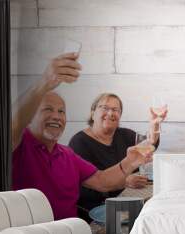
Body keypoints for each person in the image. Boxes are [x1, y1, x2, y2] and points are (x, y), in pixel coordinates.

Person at [12, 53, 152, 220]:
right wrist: (43, 83)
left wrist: (130, 162)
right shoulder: (20, 145)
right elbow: (12, 123)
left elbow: (103, 180)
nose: (56, 116)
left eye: (61, 111)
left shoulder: (67, 155)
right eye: (48, 109)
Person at [68, 93, 167, 221]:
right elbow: (86, 188)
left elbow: (149, 145)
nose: (110, 113)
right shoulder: (79, 142)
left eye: (115, 110)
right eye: (104, 108)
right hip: (97, 211)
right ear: (93, 113)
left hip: (127, 199)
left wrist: (155, 124)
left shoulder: (124, 134)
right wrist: (124, 182)